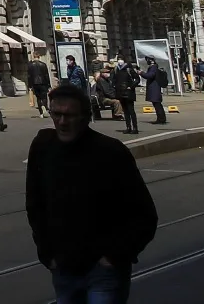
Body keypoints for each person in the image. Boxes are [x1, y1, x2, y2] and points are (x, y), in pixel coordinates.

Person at [26, 83, 158, 304]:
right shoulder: (43, 146)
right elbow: (35, 203)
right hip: (63, 266)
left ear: (85, 117)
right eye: (56, 114)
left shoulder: (110, 151)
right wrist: (47, 254)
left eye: (69, 115)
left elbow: (144, 215)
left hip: (103, 270)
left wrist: (113, 257)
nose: (62, 121)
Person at [113, 59, 141, 135]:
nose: (119, 61)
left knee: (131, 110)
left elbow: (137, 79)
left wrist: (131, 86)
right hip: (120, 93)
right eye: (118, 59)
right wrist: (115, 86)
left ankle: (135, 128)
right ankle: (128, 127)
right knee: (125, 111)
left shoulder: (129, 69)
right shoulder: (116, 69)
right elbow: (114, 80)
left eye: (121, 59)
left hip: (129, 93)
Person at [143, 57, 168, 125]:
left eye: (148, 60)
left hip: (154, 88)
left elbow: (150, 75)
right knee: (157, 104)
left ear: (151, 61)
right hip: (154, 88)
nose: (147, 61)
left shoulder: (153, 67)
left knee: (157, 104)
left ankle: (161, 119)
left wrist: (141, 73)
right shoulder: (154, 67)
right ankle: (161, 118)